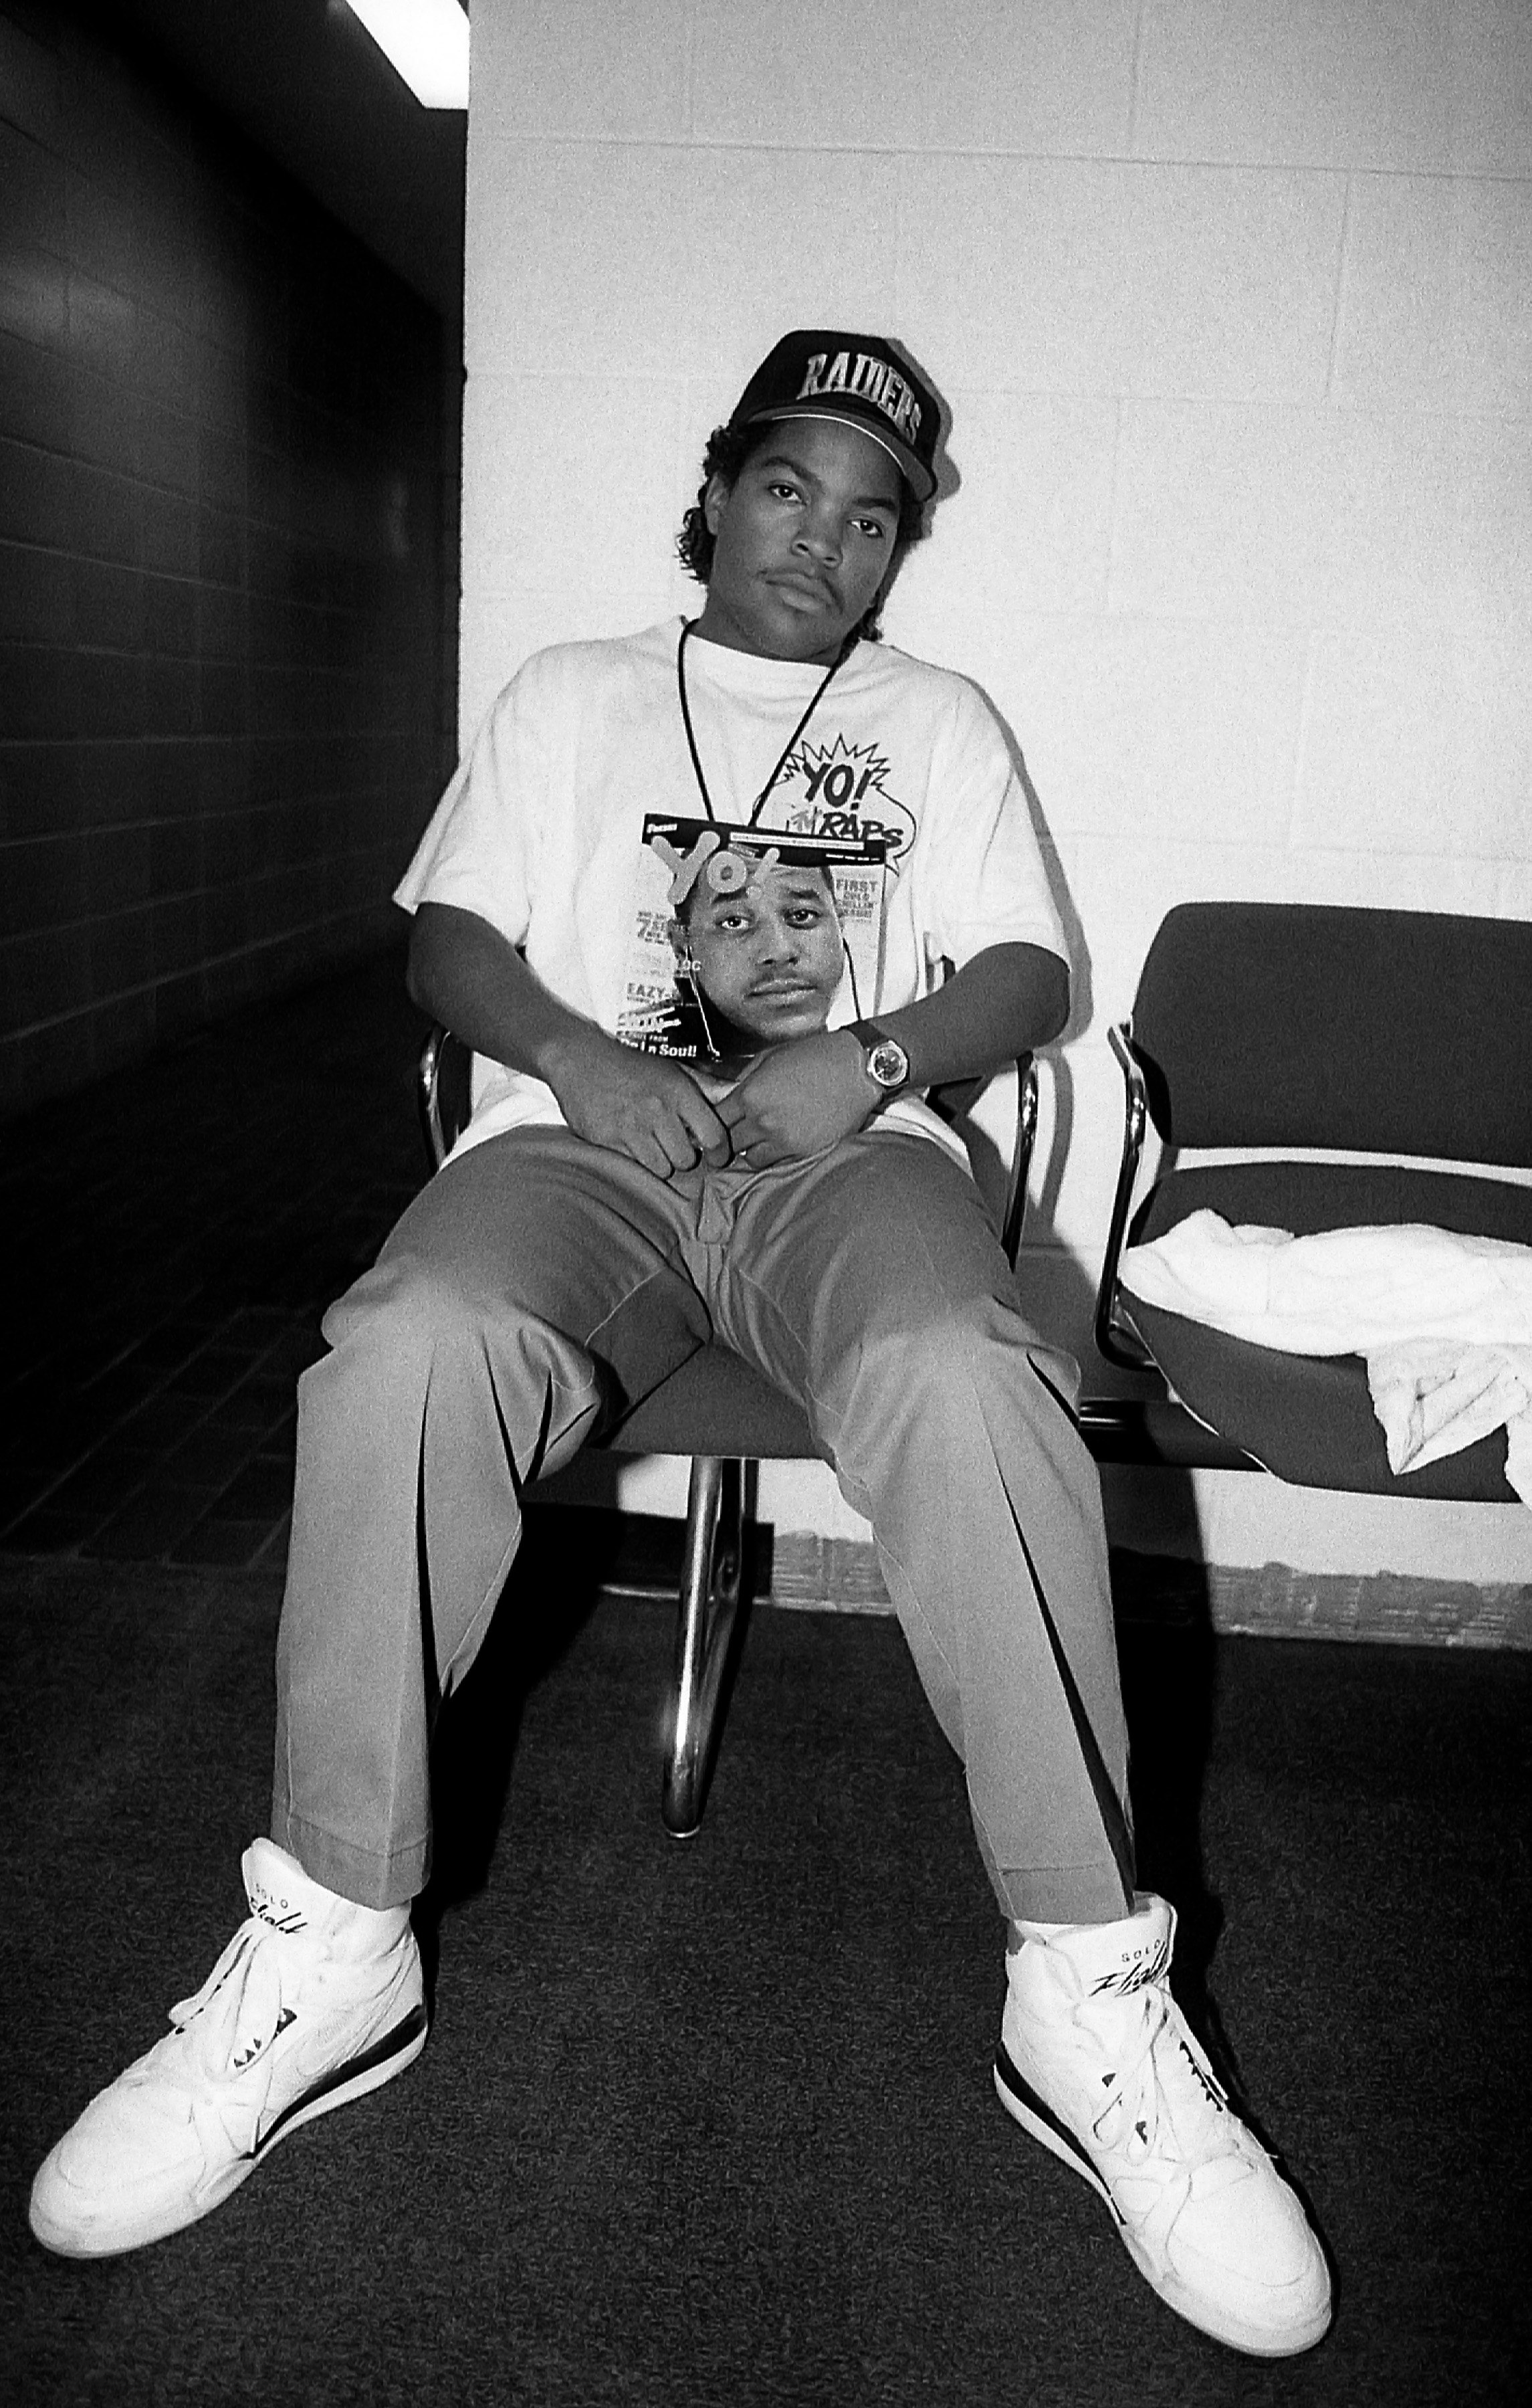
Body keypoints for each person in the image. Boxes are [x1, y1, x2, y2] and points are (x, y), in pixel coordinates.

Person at [29, 329, 1332, 2359]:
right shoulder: (570, 690)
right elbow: (447, 936)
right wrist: (566, 1054)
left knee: (965, 1377)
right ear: (716, 490)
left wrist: (872, 1060)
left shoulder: (935, 713)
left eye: (872, 513)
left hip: (844, 1163)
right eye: (791, 486)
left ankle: (1087, 1988)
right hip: (589, 1151)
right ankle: (335, 1935)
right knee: (404, 1343)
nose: (826, 537)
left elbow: (1026, 969)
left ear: (900, 551)